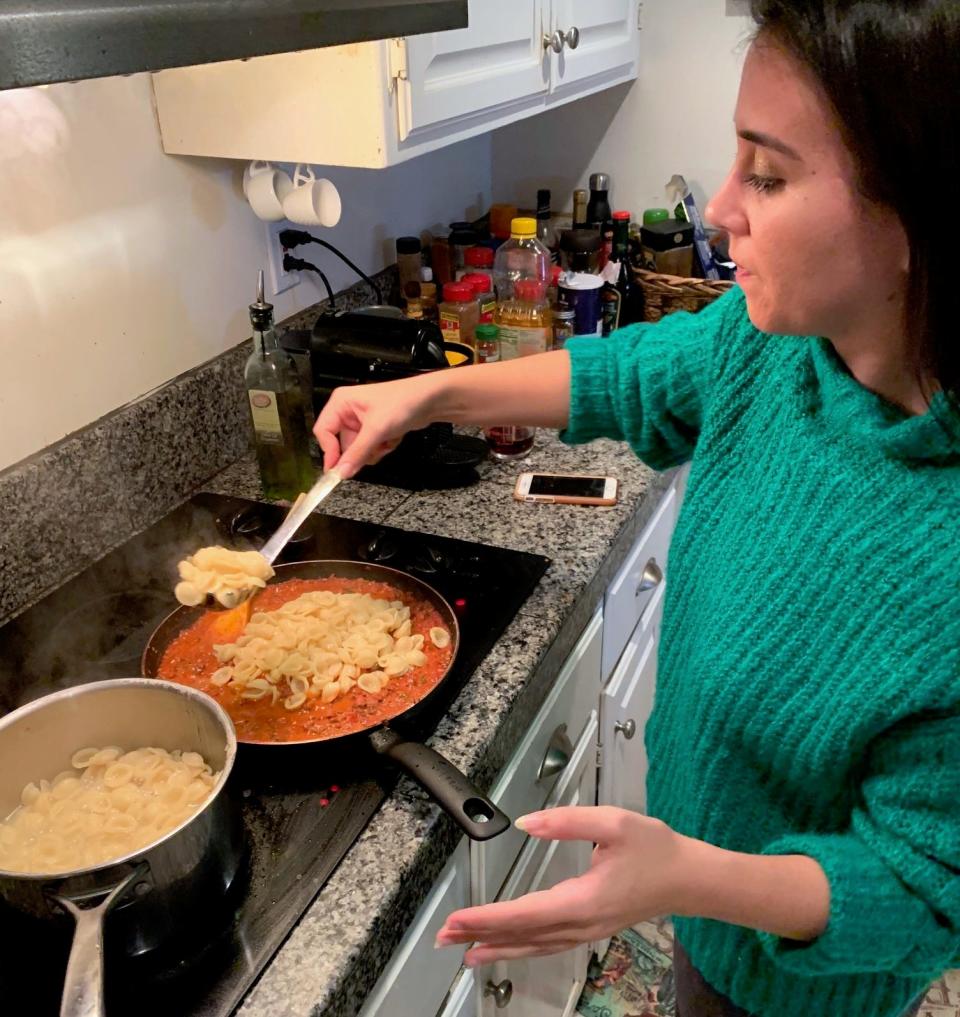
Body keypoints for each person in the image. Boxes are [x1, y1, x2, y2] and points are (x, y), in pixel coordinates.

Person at [314, 2, 959, 1015]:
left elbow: (925, 887)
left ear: (920, 218)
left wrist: (685, 877)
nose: (722, 208)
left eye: (771, 175)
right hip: (701, 916)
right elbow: (624, 375)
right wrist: (430, 392)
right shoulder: (776, 347)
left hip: (806, 991)